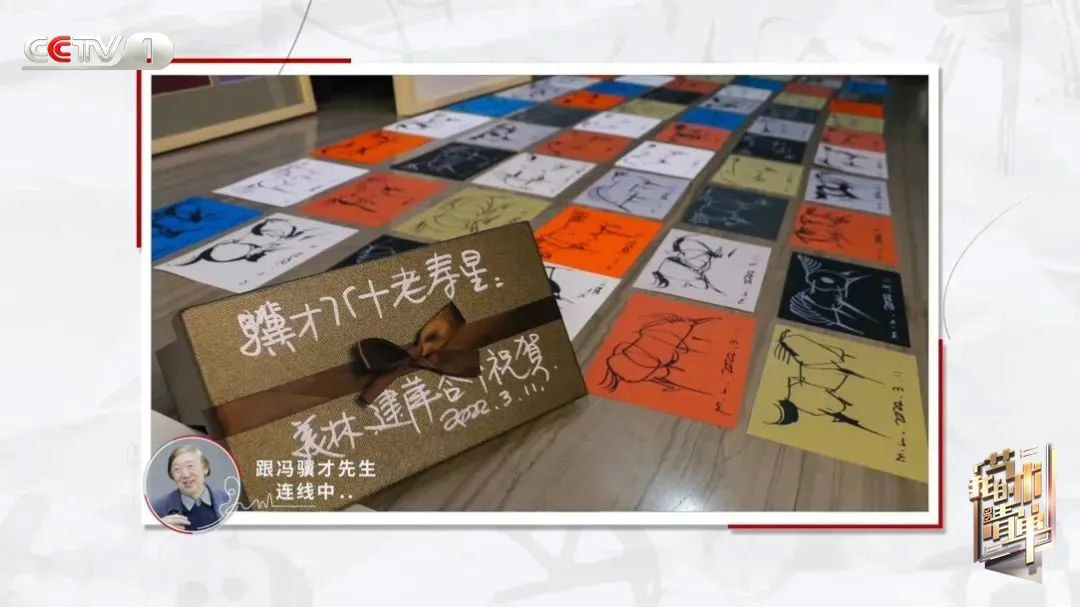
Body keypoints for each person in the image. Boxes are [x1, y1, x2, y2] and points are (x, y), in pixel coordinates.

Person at [150, 445, 230, 532]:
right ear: (172, 476)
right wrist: (157, 530)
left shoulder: (229, 500)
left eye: (190, 466)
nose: (185, 474)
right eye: (177, 469)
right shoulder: (157, 508)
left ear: (205, 468)